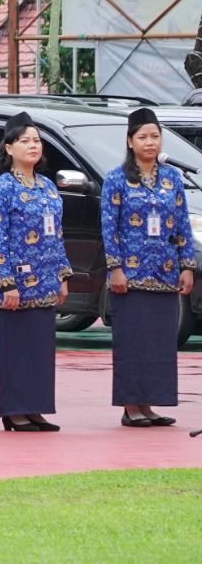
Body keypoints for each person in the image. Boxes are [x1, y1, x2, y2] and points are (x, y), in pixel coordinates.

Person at [101, 107, 196, 427]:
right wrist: (114, 267)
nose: (150, 142)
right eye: (143, 137)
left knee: (159, 343)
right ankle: (131, 407)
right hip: (130, 273)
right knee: (133, 341)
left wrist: (187, 266)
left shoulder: (171, 178)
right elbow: (108, 227)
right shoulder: (116, 179)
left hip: (166, 271)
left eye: (155, 136)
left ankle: (150, 403)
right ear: (130, 141)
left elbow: (182, 224)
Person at [0, 112, 69, 432]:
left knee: (39, 349)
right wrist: (7, 283)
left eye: (36, 140)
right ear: (9, 148)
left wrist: (62, 274)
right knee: (15, 348)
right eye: (25, 141)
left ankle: (34, 408)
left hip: (46, 280)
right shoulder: (1, 189)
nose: (33, 146)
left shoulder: (47, 186)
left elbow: (57, 234)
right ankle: (14, 411)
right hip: (16, 282)